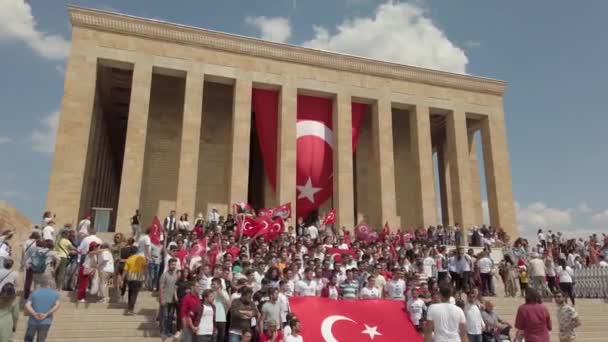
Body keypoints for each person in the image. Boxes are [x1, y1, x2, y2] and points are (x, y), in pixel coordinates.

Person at [24, 275, 60, 342]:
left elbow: (27, 305)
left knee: (28, 340)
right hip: (46, 321)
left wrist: (34, 314)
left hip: (32, 321)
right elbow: (57, 305)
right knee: (41, 340)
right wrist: (46, 314)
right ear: (49, 284)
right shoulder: (55, 294)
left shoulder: (35, 292)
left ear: (41, 284)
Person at [159, 258, 178, 338]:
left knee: (170, 317)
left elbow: (175, 288)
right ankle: (163, 332)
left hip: (172, 300)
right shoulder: (164, 275)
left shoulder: (176, 275)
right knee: (164, 316)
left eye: (175, 264)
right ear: (168, 265)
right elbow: (161, 288)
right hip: (165, 299)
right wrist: (161, 299)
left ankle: (168, 331)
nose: (173, 266)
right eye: (172, 264)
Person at [124, 248, 146, 315]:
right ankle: (130, 309)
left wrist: (122, 279)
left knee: (130, 292)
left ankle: (129, 306)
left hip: (130, 277)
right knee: (134, 293)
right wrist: (144, 277)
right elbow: (144, 268)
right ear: (137, 252)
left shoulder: (129, 259)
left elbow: (125, 270)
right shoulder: (141, 258)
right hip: (138, 277)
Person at [212, 276, 231, 342]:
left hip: (222, 319)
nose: (213, 285)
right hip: (212, 319)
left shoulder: (224, 293)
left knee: (220, 339)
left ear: (219, 285)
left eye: (214, 284)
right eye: (212, 284)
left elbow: (229, 305)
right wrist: (214, 294)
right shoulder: (210, 293)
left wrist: (221, 295)